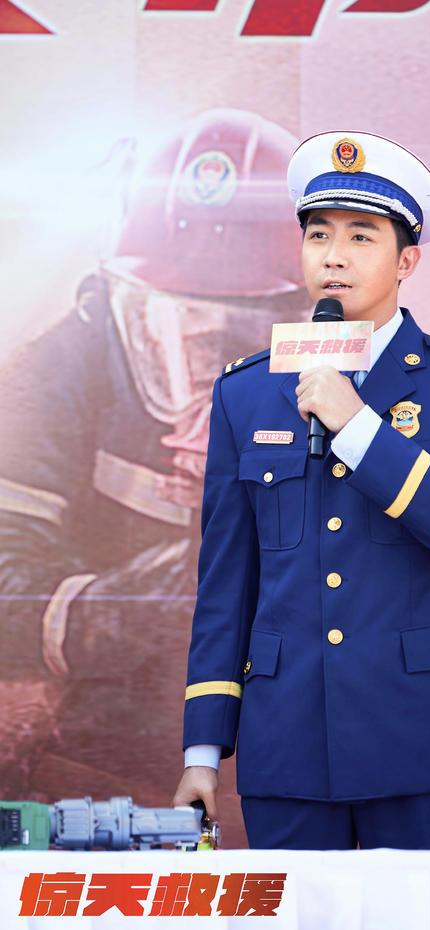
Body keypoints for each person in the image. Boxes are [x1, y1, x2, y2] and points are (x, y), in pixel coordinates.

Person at [173, 129, 430, 883]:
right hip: (286, 738)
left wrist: (356, 425)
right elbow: (226, 583)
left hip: (420, 733)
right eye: (319, 235)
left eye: (361, 237)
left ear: (406, 262)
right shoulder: (246, 391)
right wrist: (203, 750)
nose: (334, 256)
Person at [0, 108, 308, 803]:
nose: (211, 378)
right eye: (171, 327)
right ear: (113, 304)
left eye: (254, 336)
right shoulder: (51, 379)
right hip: (102, 747)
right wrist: (129, 607)